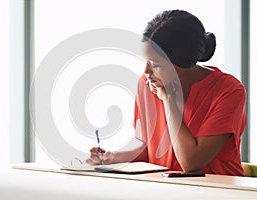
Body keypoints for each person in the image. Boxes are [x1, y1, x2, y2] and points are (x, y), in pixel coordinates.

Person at [86, 10, 247, 176]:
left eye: (156, 65)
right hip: (165, 188)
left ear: (183, 62)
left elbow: (191, 163)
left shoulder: (228, 91)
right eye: (146, 61)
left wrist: (168, 101)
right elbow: (150, 150)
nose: (146, 71)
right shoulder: (146, 85)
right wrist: (111, 158)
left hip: (219, 191)